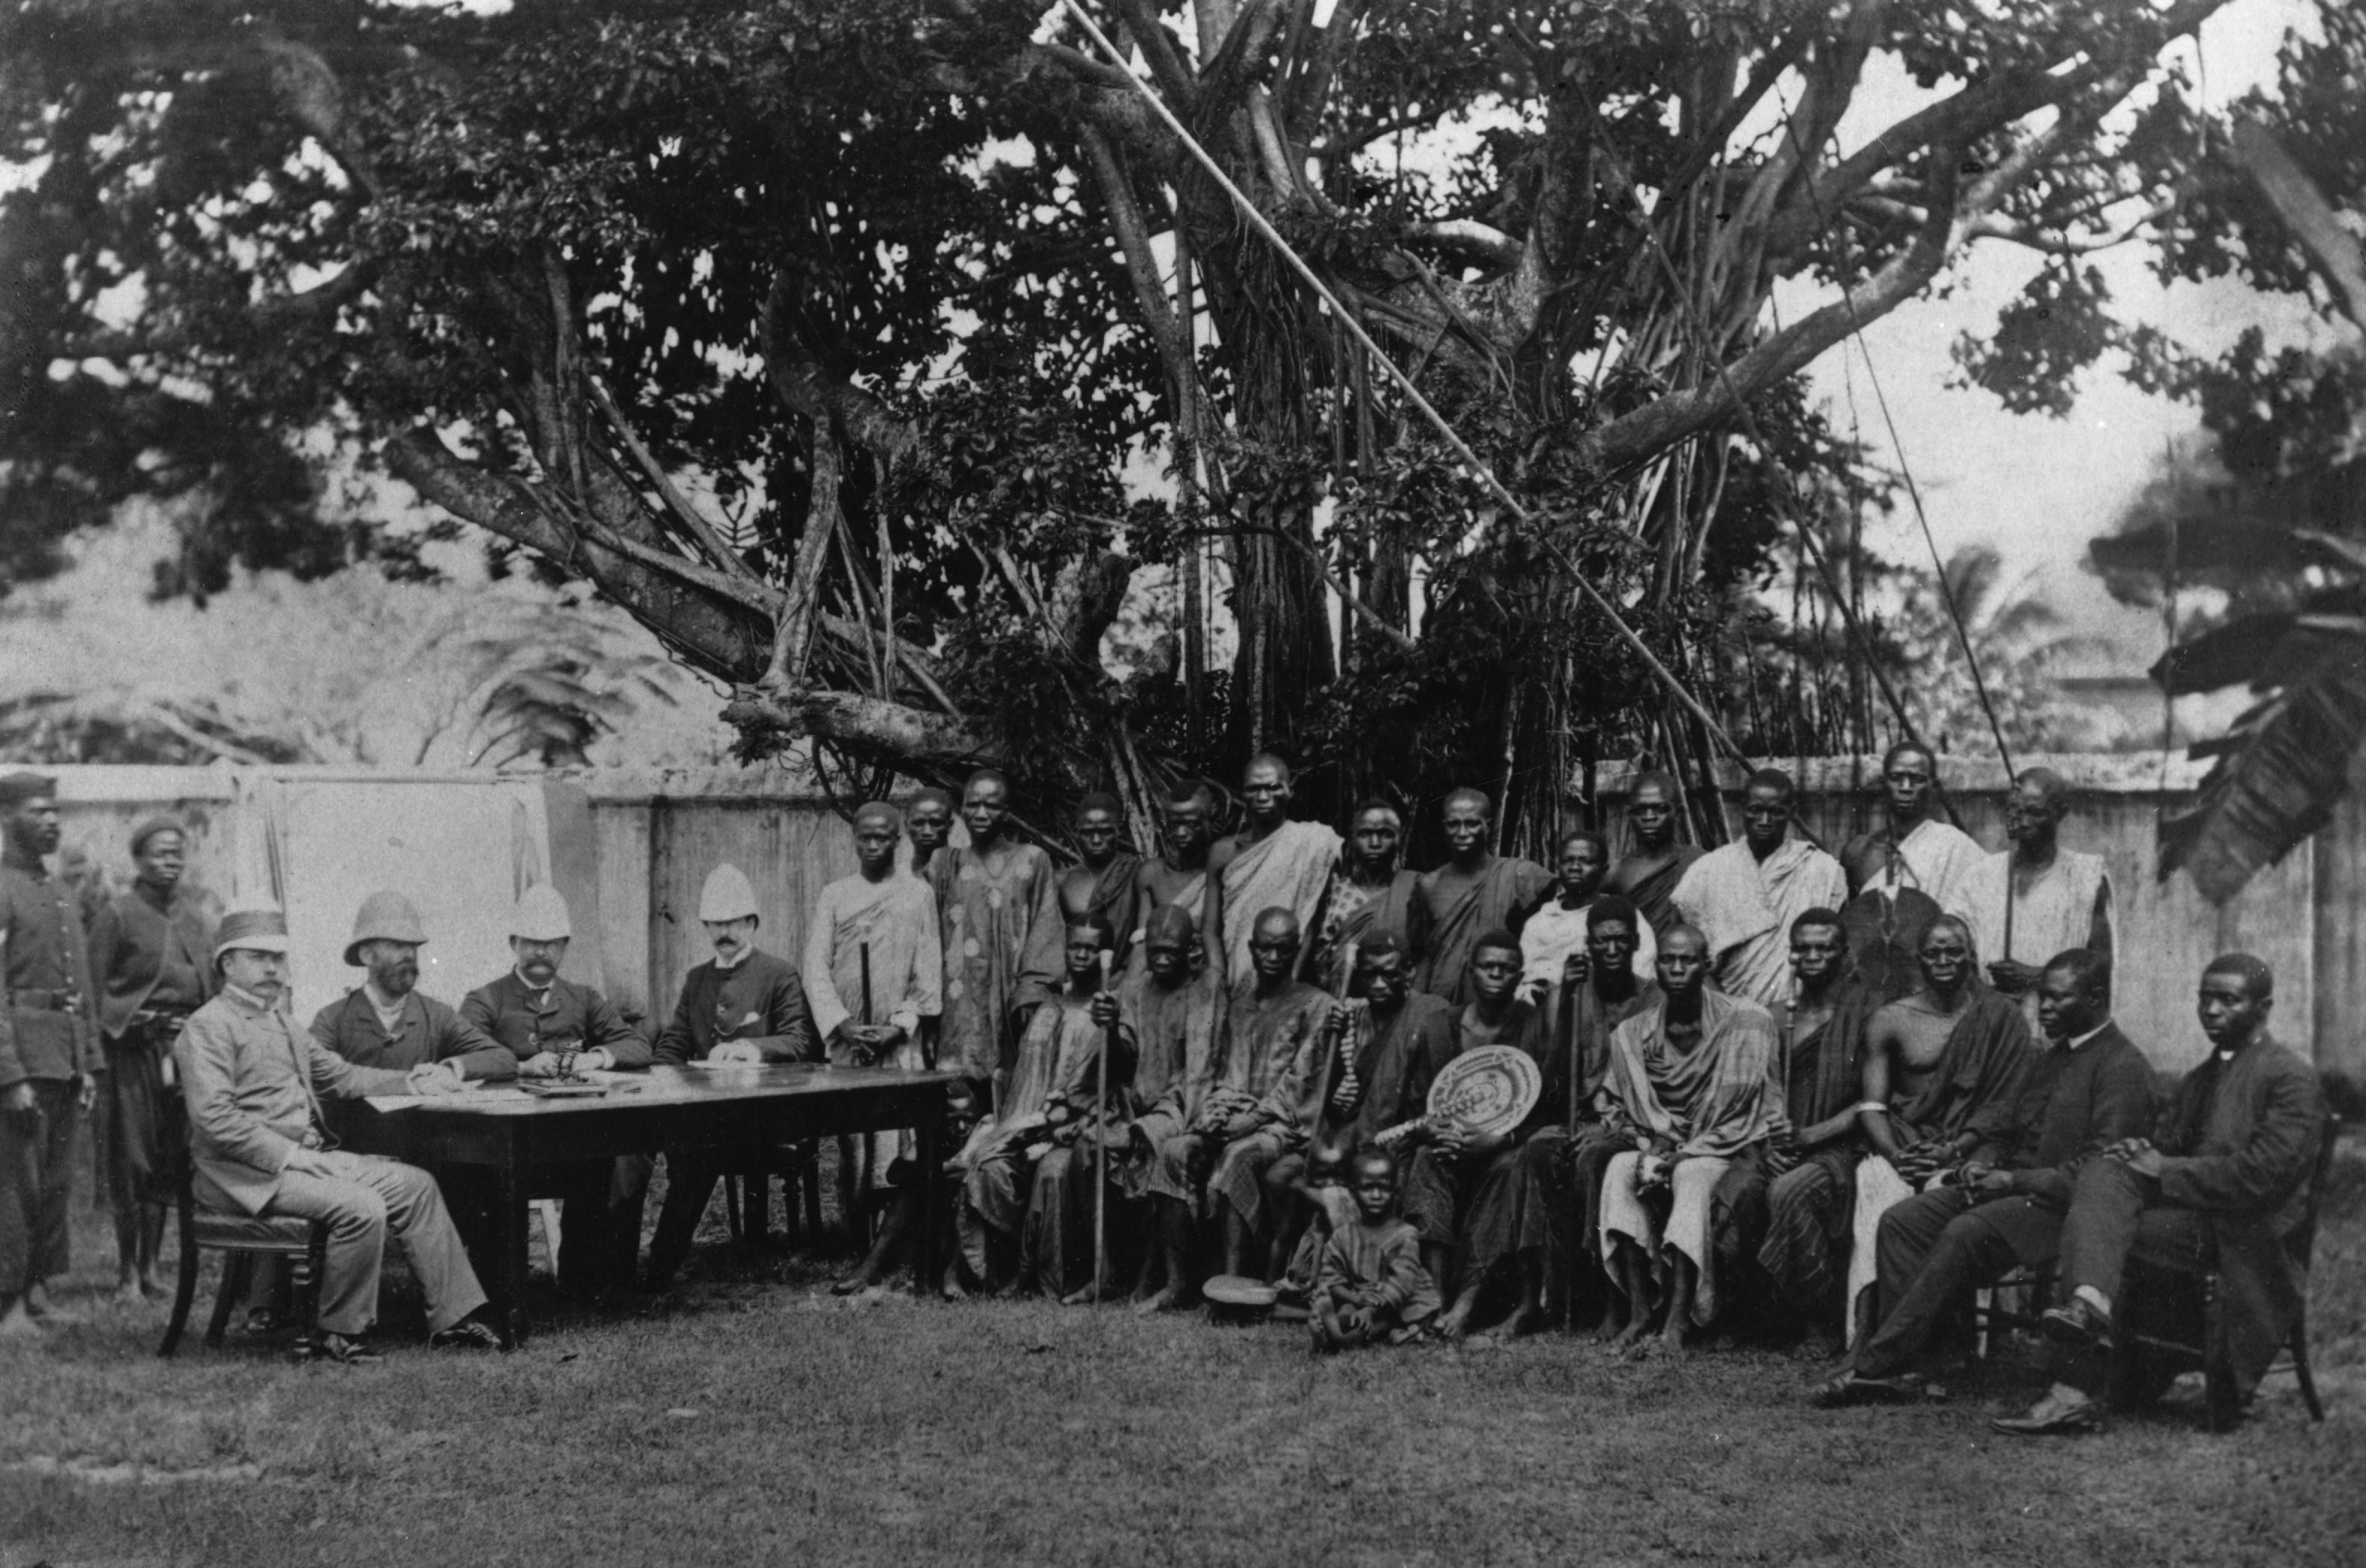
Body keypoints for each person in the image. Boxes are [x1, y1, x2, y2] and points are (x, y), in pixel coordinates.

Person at [1995, 953, 2328, 1437]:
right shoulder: (2204, 1075)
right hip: (2194, 1222)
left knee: (2111, 1227)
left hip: (2248, 1237)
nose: (2211, 1011)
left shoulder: (2290, 1078)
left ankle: (2075, 1379)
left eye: (2227, 1000)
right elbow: (2169, 1143)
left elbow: (2261, 1177)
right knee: (2104, 1169)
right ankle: (2090, 1305)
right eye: (2205, 999)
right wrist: (2141, 1151)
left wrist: (2165, 1168)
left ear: (2264, 1007)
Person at [1815, 948, 2155, 1404]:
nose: (2045, 1009)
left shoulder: (2122, 1067)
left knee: (1965, 1232)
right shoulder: (2056, 1057)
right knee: (1903, 1220)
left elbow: (2100, 1174)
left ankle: (1877, 1365)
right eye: (2043, 998)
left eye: (2058, 999)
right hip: (2010, 1189)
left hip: (2062, 1212)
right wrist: (1979, 1164)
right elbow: (2012, 1127)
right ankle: (1924, 1362)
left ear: (2095, 997)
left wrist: (2012, 1182)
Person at [175, 906, 501, 1361]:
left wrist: (412, 1081)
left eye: (279, 959)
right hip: (240, 1176)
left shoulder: (285, 1023)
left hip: (298, 1163)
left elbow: (343, 1076)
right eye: (258, 957)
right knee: (360, 1205)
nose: (272, 968)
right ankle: (340, 1333)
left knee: (415, 1185)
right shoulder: (207, 1027)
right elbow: (215, 1119)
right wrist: (290, 1155)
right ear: (227, 964)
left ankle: (454, 1319)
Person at [1597, 924, 1786, 1354]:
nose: (1677, 968)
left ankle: (1678, 1321)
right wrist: (1656, 1148)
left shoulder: (1747, 1022)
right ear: (1656, 965)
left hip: (1723, 1146)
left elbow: (1744, 1113)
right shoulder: (1633, 1034)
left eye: (1687, 960)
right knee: (1618, 1168)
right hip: (1660, 1144)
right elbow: (1622, 1106)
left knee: (1695, 1177)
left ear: (1707, 965)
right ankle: (1641, 1312)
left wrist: (1683, 1154)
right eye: (1668, 959)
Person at [1842, 915, 2033, 1342]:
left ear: (1971, 957)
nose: (1943, 961)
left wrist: (1954, 1150)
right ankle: (1869, 1329)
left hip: (1973, 1151)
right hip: (1905, 1144)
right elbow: (1872, 1107)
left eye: (1953, 951)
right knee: (1877, 1185)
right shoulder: (1890, 1019)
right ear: (1918, 961)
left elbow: (2005, 1108)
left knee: (1939, 1198)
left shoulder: (2001, 1017)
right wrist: (1897, 1157)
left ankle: (1940, 1337)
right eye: (1933, 953)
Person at [459, 884, 652, 1295]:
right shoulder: (485, 1000)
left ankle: (587, 1283)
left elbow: (636, 1045)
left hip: (574, 1143)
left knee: (616, 1160)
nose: (541, 953)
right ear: (514, 943)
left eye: (550, 943)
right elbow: (461, 1053)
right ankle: (501, 1289)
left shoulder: (583, 999)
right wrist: (524, 1064)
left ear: (564, 946)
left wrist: (593, 1058)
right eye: (531, 942)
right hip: (512, 1145)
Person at [644, 863, 819, 1289]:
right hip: (708, 1113)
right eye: (715, 923)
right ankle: (634, 1263)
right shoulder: (696, 979)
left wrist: (749, 1048)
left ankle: (660, 1264)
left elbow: (801, 1041)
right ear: (705, 926)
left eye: (733, 922)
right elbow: (675, 1041)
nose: (724, 931)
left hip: (767, 1114)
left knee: (699, 1149)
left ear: (752, 923)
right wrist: (659, 1076)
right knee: (679, 1141)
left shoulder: (779, 973)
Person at [1261, 933, 1454, 1307]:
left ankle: (1341, 1282)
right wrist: (1332, 1038)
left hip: (1400, 1141)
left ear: (1409, 972)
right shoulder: (1349, 1017)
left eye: (1388, 974)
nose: (1379, 984)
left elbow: (1431, 1098)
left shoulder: (1430, 1014)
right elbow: (1333, 1098)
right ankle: (1293, 1277)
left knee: (1351, 1183)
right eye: (1370, 976)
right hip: (1345, 1140)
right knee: (1280, 1175)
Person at [948, 915, 1131, 1296]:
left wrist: (1111, 1029)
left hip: (1081, 1127)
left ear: (1104, 956)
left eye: (1091, 949)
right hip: (1031, 1124)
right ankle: (987, 1272)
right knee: (991, 1166)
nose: (1081, 955)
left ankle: (1040, 1276)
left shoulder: (1111, 1008)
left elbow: (1122, 1067)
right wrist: (1021, 1127)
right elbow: (1026, 1082)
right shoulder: (1047, 1010)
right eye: (1075, 947)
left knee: (1052, 1169)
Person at [1400, 930, 1559, 1340]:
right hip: (1450, 1144)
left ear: (1519, 976)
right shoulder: (1440, 1027)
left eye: (1507, 970)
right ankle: (1433, 1295)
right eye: (1488, 967)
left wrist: (1500, 1141)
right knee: (1426, 1160)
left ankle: (1467, 1302)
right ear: (1471, 972)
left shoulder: (1533, 1027)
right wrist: (1433, 1129)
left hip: (1502, 1148)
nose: (1496, 976)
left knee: (1509, 1167)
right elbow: (1418, 1104)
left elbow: (1546, 1109)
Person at [87, 814, 214, 1303]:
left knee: (168, 1160)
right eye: (161, 852)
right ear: (139, 860)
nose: (171, 861)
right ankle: (127, 1276)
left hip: (181, 1051)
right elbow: (94, 991)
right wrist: (103, 1051)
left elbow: (208, 984)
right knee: (132, 1160)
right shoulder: (118, 914)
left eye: (177, 852)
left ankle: (153, 1270)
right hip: (132, 1053)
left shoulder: (194, 917)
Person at [805, 802, 943, 1233]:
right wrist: (843, 1023)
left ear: (897, 840)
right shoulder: (835, 895)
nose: (873, 845)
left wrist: (898, 1025)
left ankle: (894, 1232)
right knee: (855, 1138)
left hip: (895, 1040)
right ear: (855, 839)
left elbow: (928, 971)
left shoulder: (917, 894)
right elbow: (815, 968)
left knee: (895, 1138)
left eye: (883, 837)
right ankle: (855, 1227)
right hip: (849, 1040)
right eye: (865, 837)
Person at [1757, 910, 1884, 1351]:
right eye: (1804, 948)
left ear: (1844, 954)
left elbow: (1872, 1102)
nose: (1813, 957)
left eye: (1825, 947)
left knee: (1789, 1192)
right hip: (1783, 1145)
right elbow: (1764, 1091)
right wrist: (1773, 1141)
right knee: (1733, 1189)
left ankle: (1820, 1319)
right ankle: (1748, 1317)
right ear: (1791, 954)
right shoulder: (1776, 1016)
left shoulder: (1868, 1014)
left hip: (1843, 1147)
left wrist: (1810, 1138)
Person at [0, 773, 100, 1337]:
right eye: (38, 811)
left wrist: (87, 1065)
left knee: (54, 1184)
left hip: (62, 1059)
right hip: (22, 1059)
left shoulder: (60, 892)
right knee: (15, 1186)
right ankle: (8, 1305)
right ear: (6, 815)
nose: (52, 821)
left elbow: (79, 985)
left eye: (55, 811)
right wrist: (9, 1075)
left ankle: (37, 1291)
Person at [1548, 897, 1663, 1337]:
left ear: (1636, 943)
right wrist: (1565, 1005)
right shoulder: (1572, 994)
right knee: (1536, 1154)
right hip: (1577, 1118)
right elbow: (1555, 1081)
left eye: (1621, 940)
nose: (1612, 949)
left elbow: (1658, 1085)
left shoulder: (1654, 997)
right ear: (1589, 947)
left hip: (1637, 1125)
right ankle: (1552, 1296)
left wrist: (1607, 1126)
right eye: (1602, 942)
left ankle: (1613, 1297)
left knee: (1592, 1160)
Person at [1201, 906, 1333, 1280]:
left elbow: (1303, 1081)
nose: (1273, 958)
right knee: (1180, 1149)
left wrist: (1254, 1120)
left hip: (1286, 1128)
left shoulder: (1316, 1004)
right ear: (1251, 948)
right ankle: (1185, 1279)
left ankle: (1233, 1279)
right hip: (1238, 1117)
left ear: (1297, 950)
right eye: (1265, 948)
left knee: (1237, 1155)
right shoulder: (1241, 1006)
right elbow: (1229, 1072)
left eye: (1283, 949)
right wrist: (1220, 1114)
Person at [1117, 906, 1229, 1311]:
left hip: (1185, 1106)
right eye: (1154, 951)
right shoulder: (1135, 990)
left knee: (1158, 1145)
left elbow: (1200, 1072)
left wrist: (1174, 1115)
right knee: (1103, 1141)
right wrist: (1110, 1027)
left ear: (1190, 950)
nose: (1162, 960)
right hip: (1138, 1103)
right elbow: (1125, 1053)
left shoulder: (1205, 989)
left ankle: (1161, 1277)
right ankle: (1122, 1273)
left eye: (1171, 952)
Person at [928, 769, 1061, 1101]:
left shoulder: (1033, 860)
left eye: (993, 805)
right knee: (958, 1096)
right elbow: (928, 935)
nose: (982, 813)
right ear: (961, 809)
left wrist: (1032, 990)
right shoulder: (946, 862)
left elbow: (1047, 929)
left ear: (1008, 810)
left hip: (1014, 996)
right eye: (973, 804)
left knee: (1012, 1089)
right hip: (959, 1000)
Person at [1671, 768, 1847, 1012]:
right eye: (1756, 811)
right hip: (1724, 1012)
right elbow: (1687, 954)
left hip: (1798, 1013)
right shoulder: (1707, 871)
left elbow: (1836, 952)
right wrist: (1727, 1010)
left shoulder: (1820, 869)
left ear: (1791, 812)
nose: (1764, 821)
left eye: (1775, 812)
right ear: (1743, 808)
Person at [309, 892, 515, 1082]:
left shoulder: (437, 1016)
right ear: (367, 955)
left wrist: (452, 1069)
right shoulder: (332, 1020)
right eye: (397, 945)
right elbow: (311, 1074)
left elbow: (503, 1059)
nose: (409, 954)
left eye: (413, 946)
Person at [1965, 768, 2114, 1026]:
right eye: (2016, 810)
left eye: (2035, 812)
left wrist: (2036, 977)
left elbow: (2100, 965)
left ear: (2060, 813)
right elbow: (1955, 946)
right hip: (1994, 1020)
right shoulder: (1981, 876)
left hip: (2059, 1023)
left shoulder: (2086, 878)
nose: (2023, 821)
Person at [1413, 788, 1551, 1006]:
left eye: (1472, 823)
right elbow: (1425, 956)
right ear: (1443, 827)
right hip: (1440, 1004)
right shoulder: (1430, 884)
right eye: (1453, 824)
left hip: (1502, 1004)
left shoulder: (1519, 874)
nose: (1462, 832)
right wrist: (1417, 1008)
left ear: (1489, 824)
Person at [1213, 756, 1339, 983]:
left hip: (1289, 978)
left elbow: (1309, 922)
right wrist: (1218, 980)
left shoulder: (1312, 842)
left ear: (1290, 791)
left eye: (1272, 788)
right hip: (1231, 977)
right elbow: (1210, 930)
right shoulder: (1223, 852)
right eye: (1254, 789)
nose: (1263, 797)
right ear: (1243, 793)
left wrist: (1288, 985)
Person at [1309, 1148, 1441, 1352]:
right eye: (1368, 1188)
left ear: (1396, 1192)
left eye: (1384, 1188)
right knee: (1347, 1310)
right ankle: (1331, 1326)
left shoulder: (1405, 1234)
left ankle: (1339, 1339)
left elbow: (1401, 1285)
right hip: (1364, 1298)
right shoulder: (1343, 1235)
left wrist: (1369, 1311)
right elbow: (1331, 1278)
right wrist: (1356, 1300)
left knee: (1381, 1321)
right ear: (1353, 1192)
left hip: (1402, 1304)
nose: (1377, 1195)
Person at [1839, 742, 1985, 927]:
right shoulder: (1858, 853)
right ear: (1883, 783)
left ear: (1932, 785)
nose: (1906, 787)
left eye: (1917, 779)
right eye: (1896, 778)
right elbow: (1851, 926)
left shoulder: (1956, 847)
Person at [1518, 828, 1655, 1001]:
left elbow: (1642, 975)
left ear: (1603, 870)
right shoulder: (1539, 922)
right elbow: (1522, 983)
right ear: (1558, 867)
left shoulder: (1623, 916)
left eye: (1586, 861)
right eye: (1568, 860)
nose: (1575, 867)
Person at [1308, 800, 1428, 994]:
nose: (1374, 843)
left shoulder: (1415, 888)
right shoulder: (1332, 892)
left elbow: (1424, 957)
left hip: (1397, 1006)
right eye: (1365, 834)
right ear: (1352, 839)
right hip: (1337, 1006)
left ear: (1399, 838)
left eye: (1385, 834)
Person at [1605, 771, 1704, 936]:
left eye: (1660, 809)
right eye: (1640, 810)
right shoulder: (1616, 872)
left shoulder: (1699, 863)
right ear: (1630, 815)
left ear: (1678, 813)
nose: (1649, 817)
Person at [1058, 792, 1143, 973]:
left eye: (1104, 832)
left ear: (1119, 829)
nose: (1096, 840)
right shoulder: (1062, 881)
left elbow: (1144, 938)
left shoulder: (1136, 874)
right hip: (1074, 982)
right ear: (1076, 831)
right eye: (1088, 833)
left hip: (1124, 980)